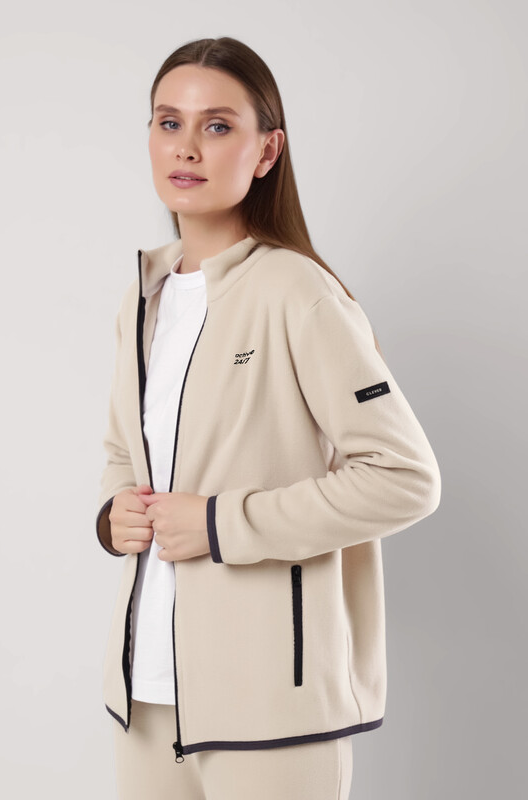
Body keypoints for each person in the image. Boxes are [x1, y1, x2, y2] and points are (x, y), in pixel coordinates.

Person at [96, 36, 441, 800]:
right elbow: (125, 450)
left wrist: (221, 524)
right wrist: (114, 511)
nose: (186, 147)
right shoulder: (143, 295)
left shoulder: (297, 293)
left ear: (266, 150)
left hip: (270, 709)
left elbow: (404, 479)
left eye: (217, 126)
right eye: (167, 122)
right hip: (146, 698)